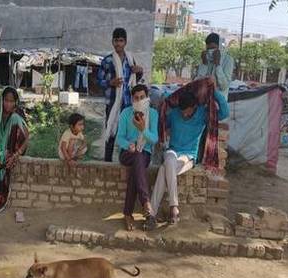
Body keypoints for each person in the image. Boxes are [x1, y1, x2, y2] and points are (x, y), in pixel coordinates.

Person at [150, 86, 229, 225]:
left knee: (164, 169)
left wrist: (213, 90)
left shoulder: (203, 114)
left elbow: (224, 112)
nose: (184, 115)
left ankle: (151, 214)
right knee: (169, 158)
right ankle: (174, 207)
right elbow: (161, 124)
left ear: (194, 107)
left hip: (188, 157)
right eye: (182, 112)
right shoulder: (174, 113)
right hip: (172, 152)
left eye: (187, 112)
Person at [97, 28, 144, 162]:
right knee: (111, 131)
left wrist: (140, 71)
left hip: (128, 103)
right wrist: (110, 82)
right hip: (112, 103)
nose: (118, 44)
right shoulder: (107, 60)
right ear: (112, 42)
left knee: (127, 133)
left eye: (121, 41)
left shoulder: (130, 60)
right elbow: (99, 81)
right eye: (116, 41)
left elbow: (135, 80)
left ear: (125, 42)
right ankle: (107, 161)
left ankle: (124, 160)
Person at [116, 84, 158, 231]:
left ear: (147, 98)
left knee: (138, 162)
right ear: (132, 99)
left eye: (142, 97)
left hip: (144, 153)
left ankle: (128, 214)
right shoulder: (126, 113)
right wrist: (128, 145)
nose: (139, 100)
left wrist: (143, 130)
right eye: (136, 98)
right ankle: (146, 203)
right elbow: (119, 138)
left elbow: (154, 139)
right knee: (136, 158)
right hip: (127, 153)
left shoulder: (152, 114)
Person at [195, 33, 234, 100]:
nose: (210, 51)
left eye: (213, 48)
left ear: (219, 47)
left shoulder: (228, 60)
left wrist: (218, 65)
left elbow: (224, 86)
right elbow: (197, 83)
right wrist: (204, 64)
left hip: (219, 104)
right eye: (208, 49)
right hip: (204, 101)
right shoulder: (205, 58)